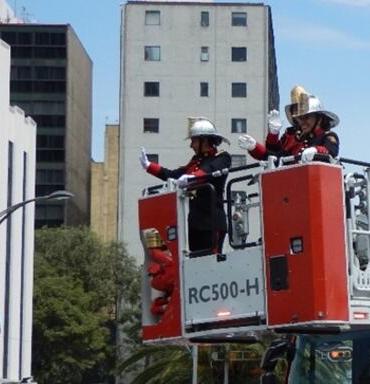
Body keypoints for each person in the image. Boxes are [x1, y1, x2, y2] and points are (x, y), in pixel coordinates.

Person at [141, 117, 232, 256]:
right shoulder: (195, 162)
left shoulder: (222, 157)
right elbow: (175, 175)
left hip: (212, 223)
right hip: (195, 224)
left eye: (194, 141)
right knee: (195, 264)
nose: (191, 146)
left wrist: (193, 178)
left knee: (212, 262)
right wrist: (150, 166)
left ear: (204, 140)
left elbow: (211, 170)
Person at [238, 86, 340, 162]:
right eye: (299, 119)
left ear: (319, 118)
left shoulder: (328, 136)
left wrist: (315, 150)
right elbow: (275, 157)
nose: (301, 122)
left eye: (306, 117)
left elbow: (331, 150)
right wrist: (255, 147)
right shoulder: (294, 137)